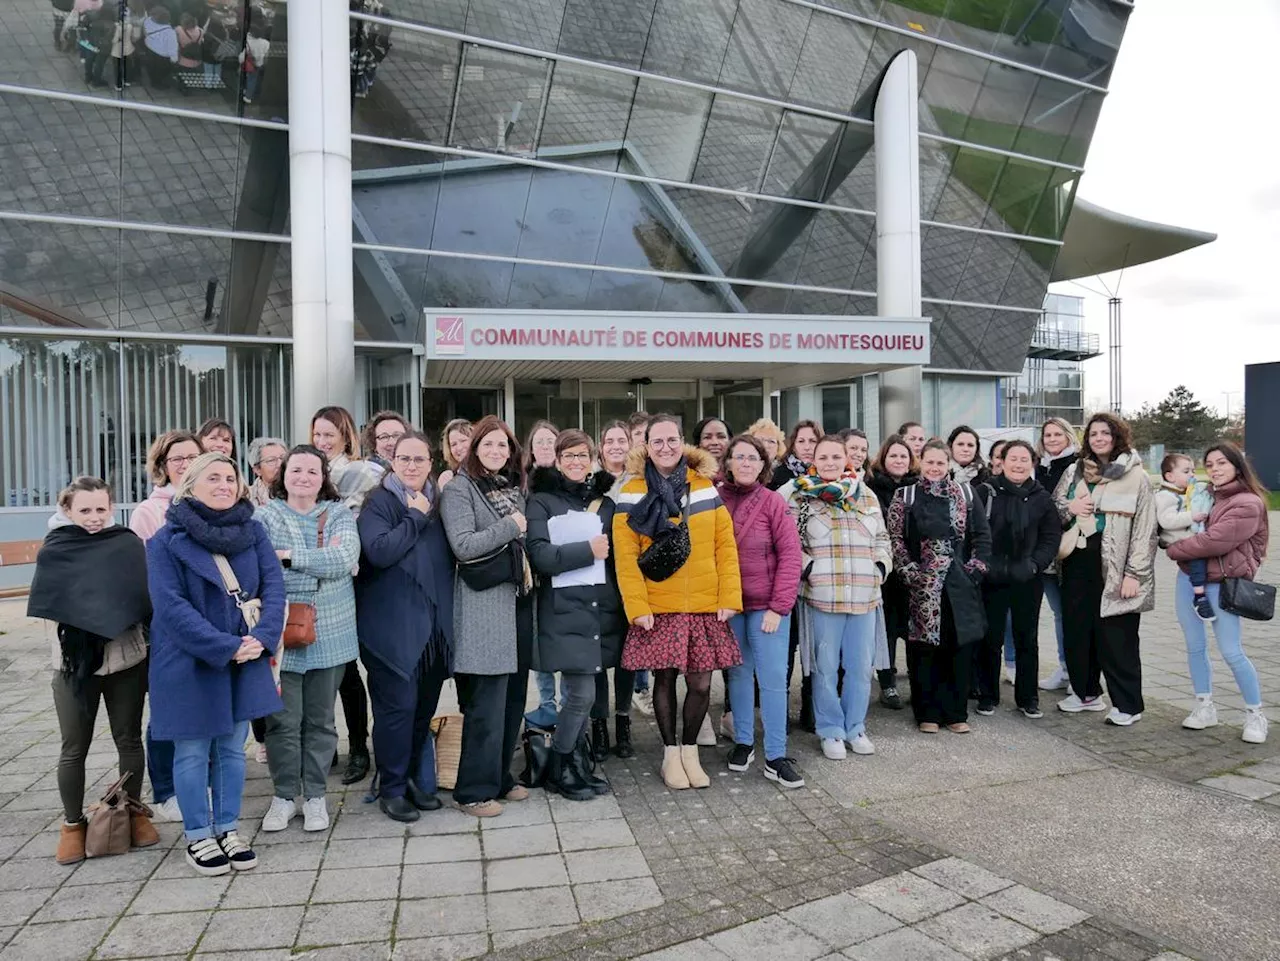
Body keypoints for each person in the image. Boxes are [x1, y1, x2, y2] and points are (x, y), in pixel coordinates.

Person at [146, 452, 284, 875]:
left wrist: (260, 640)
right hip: (189, 660)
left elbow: (274, 587)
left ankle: (227, 828)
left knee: (231, 750)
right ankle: (198, 835)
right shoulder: (165, 542)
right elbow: (171, 609)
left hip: (244, 655)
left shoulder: (254, 531)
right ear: (190, 485)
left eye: (231, 477)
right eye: (214, 478)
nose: (225, 485)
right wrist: (226, 646)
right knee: (190, 752)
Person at [28, 477, 158, 865]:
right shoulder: (56, 550)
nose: (94, 517)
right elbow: (51, 602)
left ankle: (133, 811)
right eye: (84, 510)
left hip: (126, 659)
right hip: (73, 667)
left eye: (101, 509)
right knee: (73, 748)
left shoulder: (126, 543)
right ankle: (72, 824)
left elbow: (143, 596)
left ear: (112, 507)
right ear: (66, 510)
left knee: (129, 740)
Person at [613, 415, 742, 791]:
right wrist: (637, 607)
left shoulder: (704, 487)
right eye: (658, 441)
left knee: (701, 684)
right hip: (658, 605)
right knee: (665, 679)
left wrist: (729, 597)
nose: (665, 448)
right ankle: (670, 754)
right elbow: (625, 555)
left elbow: (725, 547)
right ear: (647, 445)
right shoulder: (632, 490)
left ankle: (690, 750)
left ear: (682, 442)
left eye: (672, 440)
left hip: (704, 603)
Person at [256, 445, 360, 835]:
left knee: (321, 721)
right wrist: (316, 562)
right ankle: (284, 796)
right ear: (283, 474)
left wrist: (289, 558)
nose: (303, 477)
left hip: (330, 634)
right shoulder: (264, 516)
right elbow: (262, 564)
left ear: (323, 478)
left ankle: (315, 795)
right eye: (296, 469)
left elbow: (346, 557)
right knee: (282, 722)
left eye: (312, 471)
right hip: (280, 634)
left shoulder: (337, 514)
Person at [356, 431, 455, 821]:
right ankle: (392, 787)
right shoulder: (379, 502)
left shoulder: (439, 502)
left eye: (419, 459)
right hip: (392, 631)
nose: (412, 466)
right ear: (392, 462)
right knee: (396, 711)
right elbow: (379, 552)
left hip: (432, 631)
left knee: (420, 711)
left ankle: (413, 778)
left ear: (431, 463)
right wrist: (413, 516)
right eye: (404, 459)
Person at [439, 416, 533, 817]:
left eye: (503, 446)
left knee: (513, 701)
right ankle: (472, 791)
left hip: (517, 603)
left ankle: (499, 777)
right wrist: (511, 526)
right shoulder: (460, 490)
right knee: (486, 706)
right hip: (483, 610)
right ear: (474, 448)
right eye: (488, 445)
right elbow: (463, 546)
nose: (496, 452)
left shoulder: (510, 488)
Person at [527, 430, 626, 797]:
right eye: (568, 455)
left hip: (600, 609)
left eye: (582, 455)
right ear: (556, 458)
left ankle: (576, 764)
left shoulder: (603, 501)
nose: (575, 462)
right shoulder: (540, 501)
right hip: (563, 610)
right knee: (580, 694)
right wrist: (586, 550)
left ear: (593, 458)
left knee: (587, 696)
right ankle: (560, 766)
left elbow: (617, 557)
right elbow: (539, 556)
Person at [780, 436, 888, 760]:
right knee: (825, 667)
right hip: (823, 595)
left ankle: (855, 727)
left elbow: (882, 536)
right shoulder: (799, 495)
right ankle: (830, 730)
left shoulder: (865, 494)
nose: (829, 462)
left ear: (847, 458)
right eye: (822, 456)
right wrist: (808, 568)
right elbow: (786, 542)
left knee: (859, 667)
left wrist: (880, 566)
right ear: (813, 459)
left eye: (835, 456)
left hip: (865, 595)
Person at [1053, 412, 1156, 726]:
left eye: (1104, 433)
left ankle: (1128, 705)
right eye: (1093, 434)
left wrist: (1134, 574)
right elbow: (1054, 506)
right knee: (1078, 631)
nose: (1098, 438)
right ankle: (1086, 694)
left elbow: (1145, 530)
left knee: (1117, 638)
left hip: (1116, 567)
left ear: (1117, 436)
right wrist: (1068, 507)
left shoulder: (1136, 476)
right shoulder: (1074, 470)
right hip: (1076, 562)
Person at [1168, 442, 1270, 743]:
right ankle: (1204, 707)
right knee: (1194, 647)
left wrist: (1172, 548)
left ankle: (1255, 714)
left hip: (1224, 584)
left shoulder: (1248, 503)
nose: (1214, 469)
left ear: (1237, 466)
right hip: (1188, 580)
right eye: (1209, 464)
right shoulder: (1205, 495)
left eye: (1221, 463)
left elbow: (1214, 541)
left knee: (1231, 651)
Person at [888, 440, 991, 734]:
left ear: (949, 465)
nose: (935, 468)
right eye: (930, 462)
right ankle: (927, 713)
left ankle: (956, 712)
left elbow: (982, 537)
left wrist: (976, 570)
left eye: (940, 463)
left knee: (958, 646)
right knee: (924, 649)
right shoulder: (905, 495)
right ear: (921, 463)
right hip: (922, 585)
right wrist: (909, 572)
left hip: (960, 583)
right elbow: (894, 538)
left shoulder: (966, 494)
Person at [719, 436, 802, 783]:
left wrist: (779, 607)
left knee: (771, 680)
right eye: (739, 457)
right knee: (738, 675)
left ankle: (776, 754)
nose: (746, 463)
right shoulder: (713, 500)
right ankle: (742, 741)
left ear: (763, 465)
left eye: (753, 458)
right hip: (729, 606)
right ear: (728, 463)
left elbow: (791, 556)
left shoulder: (772, 502)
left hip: (767, 607)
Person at [130, 429, 202, 823]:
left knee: (203, 705)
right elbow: (148, 576)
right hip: (170, 626)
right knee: (166, 712)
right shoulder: (149, 511)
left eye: (194, 457)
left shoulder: (215, 501)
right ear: (162, 466)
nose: (187, 465)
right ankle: (165, 790)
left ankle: (196, 780)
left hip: (211, 626)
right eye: (178, 459)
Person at [310, 405, 380, 783]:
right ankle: (325, 745)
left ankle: (357, 747)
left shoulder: (362, 472)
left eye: (329, 435)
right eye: (317, 434)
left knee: (348, 669)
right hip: (312, 581)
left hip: (350, 576)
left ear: (345, 435)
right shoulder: (308, 470)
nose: (322, 442)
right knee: (318, 668)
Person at [975, 441, 1059, 719]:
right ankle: (987, 695)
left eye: (1025, 459)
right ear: (1002, 461)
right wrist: (985, 565)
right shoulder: (986, 491)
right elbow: (974, 532)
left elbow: (1050, 538)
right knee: (990, 638)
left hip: (1027, 578)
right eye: (1013, 458)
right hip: (992, 577)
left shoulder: (1042, 498)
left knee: (1027, 639)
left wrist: (1035, 565)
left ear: (1033, 463)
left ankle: (1028, 698)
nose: (1019, 464)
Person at [590, 421, 638, 757]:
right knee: (598, 655)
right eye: (610, 440)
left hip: (633, 577)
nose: (616, 446)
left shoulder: (640, 480)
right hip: (600, 576)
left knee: (627, 656)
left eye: (622, 440)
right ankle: (598, 724)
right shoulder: (593, 484)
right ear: (601, 446)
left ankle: (623, 723)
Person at [865, 435, 918, 710]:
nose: (899, 461)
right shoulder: (871, 487)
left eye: (904, 456)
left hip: (913, 570)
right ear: (883, 458)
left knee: (912, 630)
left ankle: (917, 683)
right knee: (886, 631)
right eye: (893, 456)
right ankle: (887, 684)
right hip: (886, 571)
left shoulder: (919, 487)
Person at [522, 420, 563, 732]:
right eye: (540, 441)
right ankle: (548, 702)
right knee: (540, 639)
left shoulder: (570, 479)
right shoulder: (521, 484)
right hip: (533, 573)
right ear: (531, 448)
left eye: (551, 440)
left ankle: (568, 701)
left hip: (564, 568)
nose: (546, 446)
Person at [1035, 418, 1077, 693]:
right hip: (1042, 552)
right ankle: (1064, 668)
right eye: (1047, 434)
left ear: (1069, 436)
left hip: (1069, 548)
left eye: (1057, 434)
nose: (1051, 439)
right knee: (1058, 613)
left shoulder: (1078, 466)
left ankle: (1077, 673)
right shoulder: (1038, 467)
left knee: (1071, 613)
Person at [1156, 454, 1216, 622]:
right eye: (1186, 471)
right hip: (1176, 538)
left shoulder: (1182, 492)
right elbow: (1166, 520)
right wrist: (1192, 516)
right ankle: (1199, 596)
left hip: (1185, 535)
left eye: (1193, 471)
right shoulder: (1165, 496)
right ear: (1170, 476)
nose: (1192, 475)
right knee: (1196, 558)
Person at [769, 420, 822, 491]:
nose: (807, 447)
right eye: (801, 441)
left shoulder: (830, 471)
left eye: (813, 441)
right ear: (793, 446)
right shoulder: (775, 476)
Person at [141, 5, 179, 88]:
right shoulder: (170, 32)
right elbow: (172, 48)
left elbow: (145, 32)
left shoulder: (148, 20)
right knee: (160, 71)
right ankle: (158, 84)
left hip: (149, 49)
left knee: (151, 68)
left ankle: (153, 81)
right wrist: (174, 59)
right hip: (162, 56)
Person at [246, 436, 287, 509]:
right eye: (271, 460)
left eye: (283, 458)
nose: (280, 464)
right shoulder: (247, 498)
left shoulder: (300, 491)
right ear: (257, 469)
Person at [437, 418, 472, 489]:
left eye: (463, 441)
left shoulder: (487, 475)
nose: (459, 448)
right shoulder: (448, 478)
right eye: (453, 444)